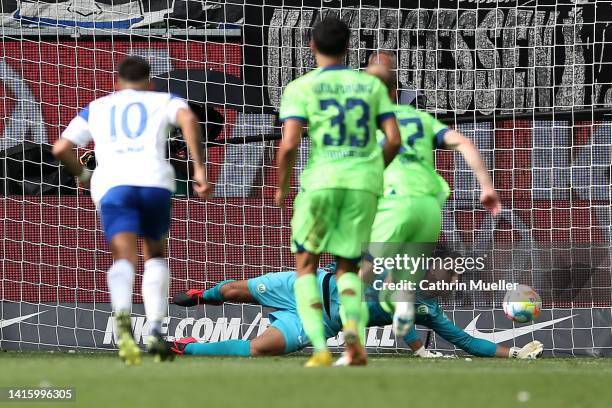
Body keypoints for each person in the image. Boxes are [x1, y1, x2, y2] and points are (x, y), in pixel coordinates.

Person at [52, 56, 213, 365]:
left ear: (116, 83)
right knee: (154, 254)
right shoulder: (164, 99)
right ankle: (155, 330)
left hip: (113, 185)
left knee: (124, 257)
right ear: (150, 83)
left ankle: (123, 323)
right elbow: (189, 120)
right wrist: (200, 170)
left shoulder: (98, 107)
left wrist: (84, 176)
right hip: (154, 181)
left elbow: (60, 148)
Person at [275, 18, 401, 366]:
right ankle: (353, 343)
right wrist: (372, 171)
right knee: (348, 267)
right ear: (349, 48)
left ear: (312, 46)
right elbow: (393, 139)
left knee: (305, 265)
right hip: (363, 185)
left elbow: (288, 146)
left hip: (321, 183)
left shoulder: (300, 87)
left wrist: (282, 186)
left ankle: (319, 348)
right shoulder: (371, 86)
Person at [361, 63, 501, 338]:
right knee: (400, 282)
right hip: (430, 208)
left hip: (395, 204)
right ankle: (401, 307)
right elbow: (465, 143)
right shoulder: (421, 119)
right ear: (395, 91)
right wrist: (486, 187)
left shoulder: (365, 123)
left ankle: (348, 341)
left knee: (360, 276)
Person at [169, 268, 543, 360]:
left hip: (320, 321)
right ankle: (202, 295)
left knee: (258, 350)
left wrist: (516, 353)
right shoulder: (391, 267)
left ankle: (189, 348)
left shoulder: (426, 310)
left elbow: (466, 341)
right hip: (309, 284)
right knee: (235, 290)